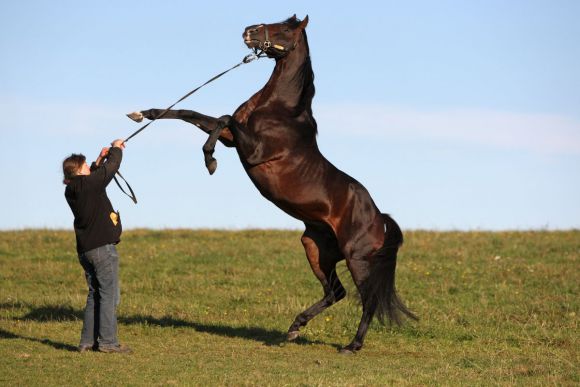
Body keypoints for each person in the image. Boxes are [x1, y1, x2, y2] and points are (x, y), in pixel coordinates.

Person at [62, 139, 132, 353]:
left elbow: (94, 174)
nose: (87, 167)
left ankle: (87, 342)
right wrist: (116, 149)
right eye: (84, 165)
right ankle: (108, 343)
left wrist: (99, 158)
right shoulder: (89, 185)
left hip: (86, 250)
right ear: (79, 171)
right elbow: (111, 168)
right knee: (109, 295)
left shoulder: (73, 189)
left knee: (95, 294)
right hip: (102, 249)